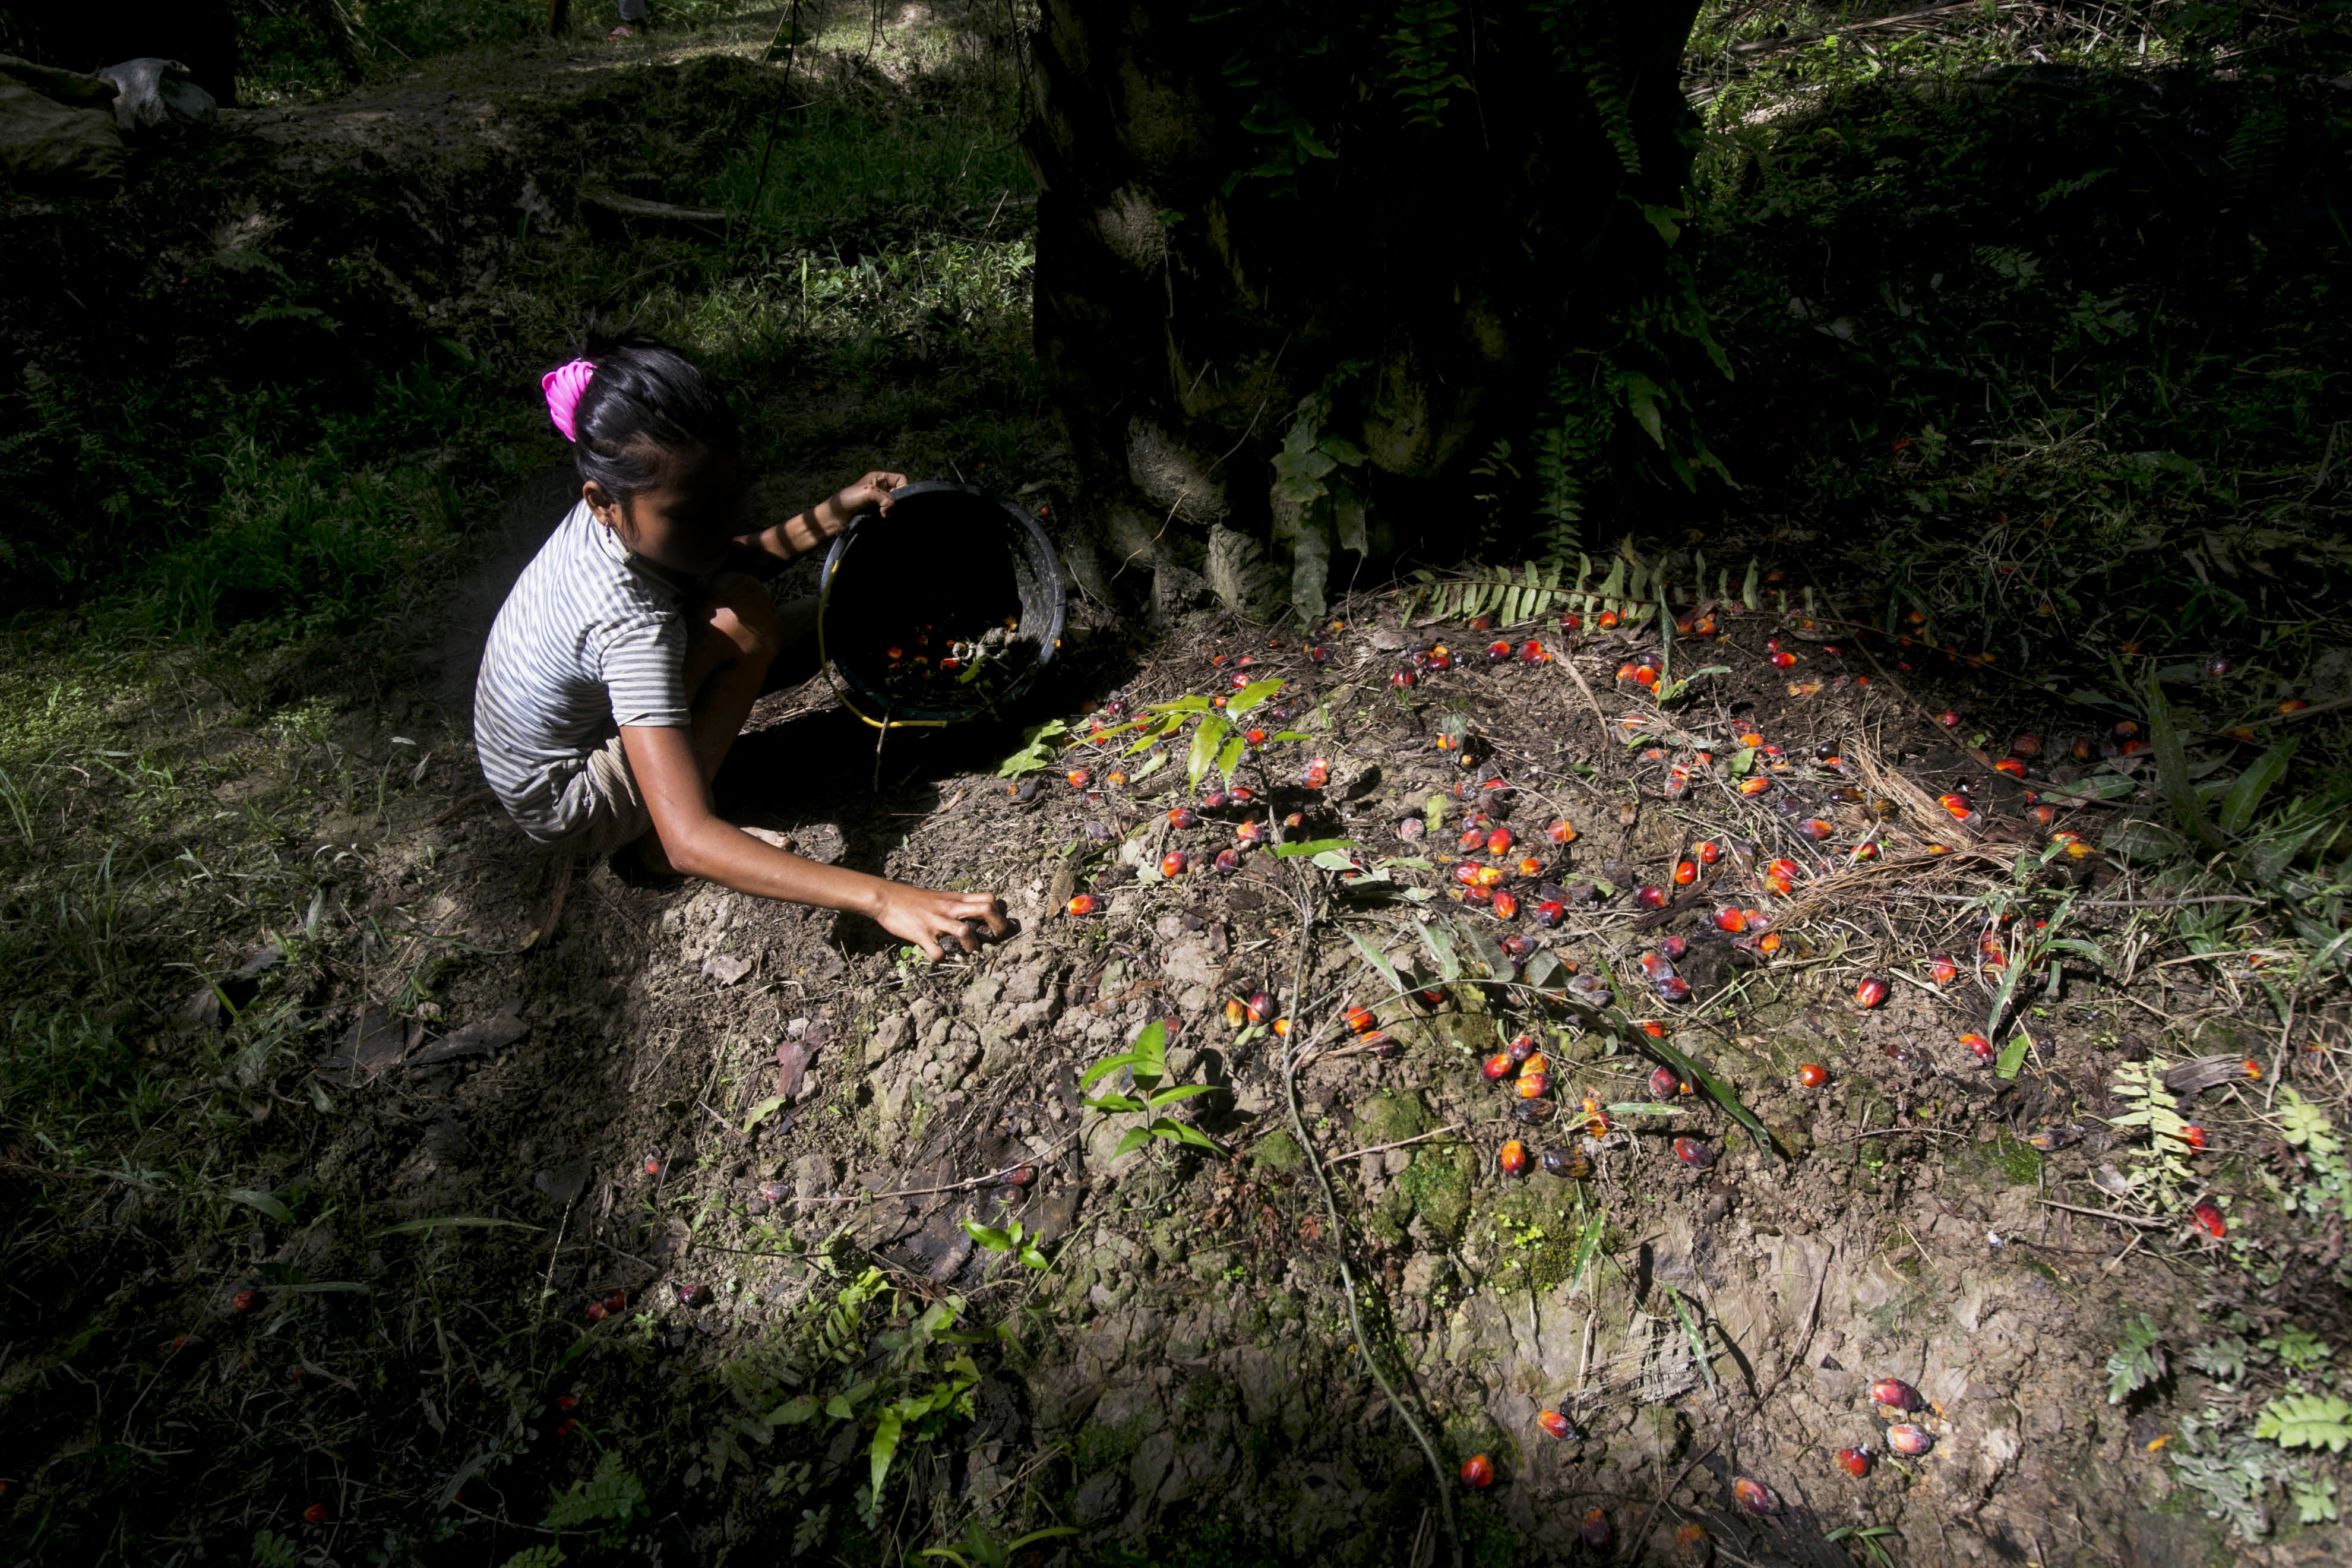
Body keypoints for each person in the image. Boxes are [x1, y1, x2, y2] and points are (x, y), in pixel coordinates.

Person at [473, 334, 1007, 960]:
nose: (722, 525)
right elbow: (690, 840)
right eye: (694, 514)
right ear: (602, 503)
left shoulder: (628, 512)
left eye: (731, 499)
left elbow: (719, 554)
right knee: (746, 620)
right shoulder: (628, 628)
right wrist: (884, 897)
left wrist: (834, 512)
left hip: (561, 740)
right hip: (573, 796)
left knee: (767, 605)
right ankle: (639, 838)